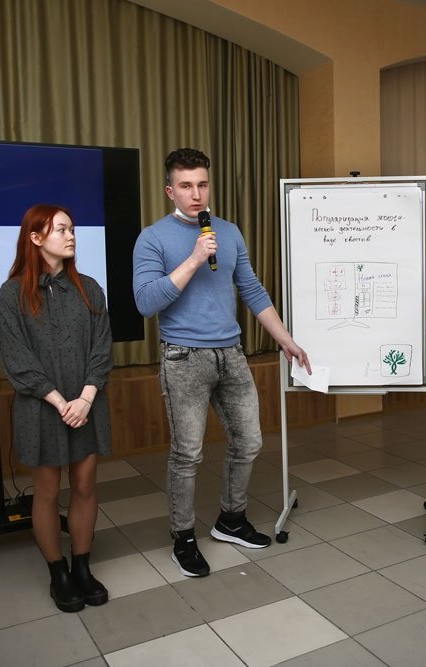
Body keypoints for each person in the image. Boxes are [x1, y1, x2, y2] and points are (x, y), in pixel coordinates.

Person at [133, 147, 310, 578]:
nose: (196, 194)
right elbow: (146, 302)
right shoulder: (152, 238)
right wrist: (194, 259)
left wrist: (284, 339)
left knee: (249, 441)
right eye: (186, 186)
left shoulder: (228, 232)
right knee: (187, 454)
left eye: (202, 185)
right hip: (183, 357)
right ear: (170, 191)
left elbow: (251, 289)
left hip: (231, 353)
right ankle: (183, 537)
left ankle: (231, 519)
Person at [0, 204, 113, 613]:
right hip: (42, 408)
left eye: (72, 229)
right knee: (47, 492)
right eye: (61, 229)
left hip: (87, 403)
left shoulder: (90, 288)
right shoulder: (12, 293)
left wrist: (85, 398)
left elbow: (102, 348)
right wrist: (61, 401)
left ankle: (82, 566)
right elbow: (16, 358)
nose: (71, 235)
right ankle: (58, 572)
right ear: (35, 238)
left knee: (85, 485)